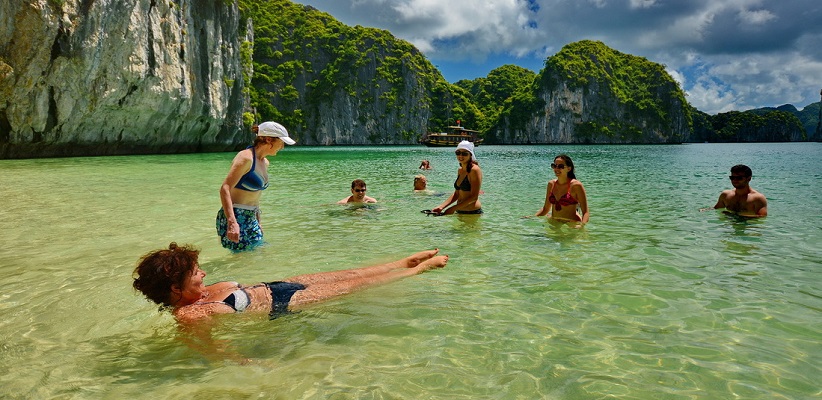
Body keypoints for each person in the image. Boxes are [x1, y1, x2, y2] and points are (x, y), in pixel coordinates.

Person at [132, 242, 449, 324]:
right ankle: (418, 270)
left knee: (352, 274)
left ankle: (401, 263)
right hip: (283, 303)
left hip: (278, 285)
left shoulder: (197, 298)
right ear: (175, 289)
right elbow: (213, 349)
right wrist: (244, 362)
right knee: (357, 287)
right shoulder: (188, 315)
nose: (203, 274)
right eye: (196, 274)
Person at [217, 121, 295, 251]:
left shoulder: (265, 162)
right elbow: (225, 188)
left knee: (257, 256)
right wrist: (232, 222)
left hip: (251, 217)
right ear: (269, 139)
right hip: (236, 216)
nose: (282, 147)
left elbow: (255, 196)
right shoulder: (246, 158)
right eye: (281, 142)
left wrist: (258, 222)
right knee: (242, 260)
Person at [430, 141, 483, 215]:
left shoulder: (474, 170)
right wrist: (441, 207)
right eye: (458, 153)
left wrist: (452, 208)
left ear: (470, 155)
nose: (461, 156)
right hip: (459, 211)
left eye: (464, 153)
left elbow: (474, 197)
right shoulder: (460, 170)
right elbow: (457, 193)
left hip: (472, 213)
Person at [535, 154, 589, 223]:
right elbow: (545, 209)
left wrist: (581, 226)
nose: (556, 169)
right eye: (554, 166)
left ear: (569, 169)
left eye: (560, 166)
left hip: (571, 225)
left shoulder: (576, 185)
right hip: (555, 222)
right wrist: (532, 217)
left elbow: (586, 213)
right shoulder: (551, 184)